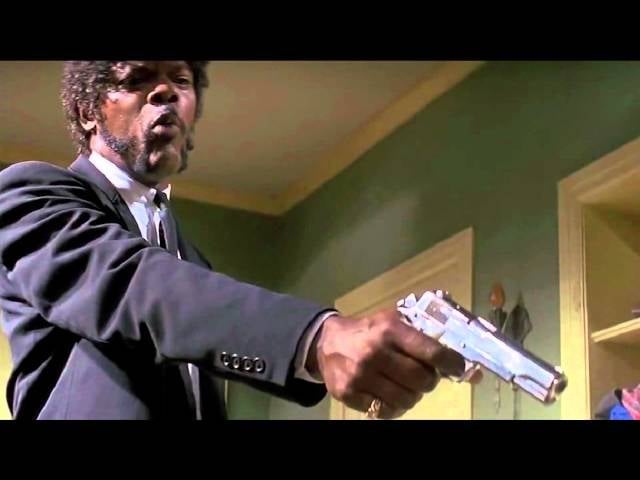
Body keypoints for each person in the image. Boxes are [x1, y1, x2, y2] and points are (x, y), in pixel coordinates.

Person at [0, 61, 478, 420]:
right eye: (138, 78)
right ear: (88, 112)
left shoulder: (190, 258)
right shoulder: (30, 195)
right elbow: (134, 284)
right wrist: (317, 337)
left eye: (181, 80)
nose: (166, 91)